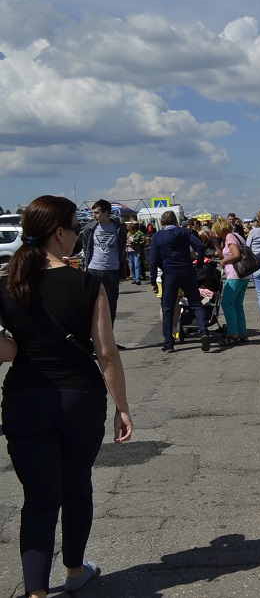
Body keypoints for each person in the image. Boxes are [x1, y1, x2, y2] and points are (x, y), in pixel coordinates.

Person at [0, 194, 133, 598]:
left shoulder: (8, 283)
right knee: (76, 485)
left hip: (24, 397)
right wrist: (123, 408)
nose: (79, 235)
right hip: (80, 397)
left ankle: (36, 592)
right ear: (59, 233)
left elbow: (6, 352)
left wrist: (22, 345)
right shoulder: (86, 282)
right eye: (76, 228)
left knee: (38, 497)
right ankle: (75, 570)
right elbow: (106, 352)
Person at [148, 210, 211, 353]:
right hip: (187, 271)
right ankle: (204, 332)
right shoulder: (184, 232)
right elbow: (200, 246)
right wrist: (199, 265)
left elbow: (153, 259)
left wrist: (153, 281)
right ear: (176, 222)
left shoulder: (158, 236)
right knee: (195, 303)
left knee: (168, 307)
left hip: (169, 273)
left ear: (162, 223)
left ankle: (169, 343)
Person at [80, 199, 127, 324]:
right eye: (93, 213)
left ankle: (109, 336)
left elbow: (122, 246)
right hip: (94, 269)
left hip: (112, 270)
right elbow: (85, 246)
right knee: (92, 303)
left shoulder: (118, 229)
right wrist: (86, 264)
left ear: (106, 213)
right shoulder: (90, 228)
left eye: (97, 213)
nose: (94, 215)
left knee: (111, 304)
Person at [213, 219, 251, 344]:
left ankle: (233, 334)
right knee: (237, 305)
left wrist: (224, 262)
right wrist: (216, 244)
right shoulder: (236, 236)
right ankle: (242, 333)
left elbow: (236, 255)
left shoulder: (229, 237)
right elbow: (225, 254)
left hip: (235, 275)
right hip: (243, 275)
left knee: (227, 303)